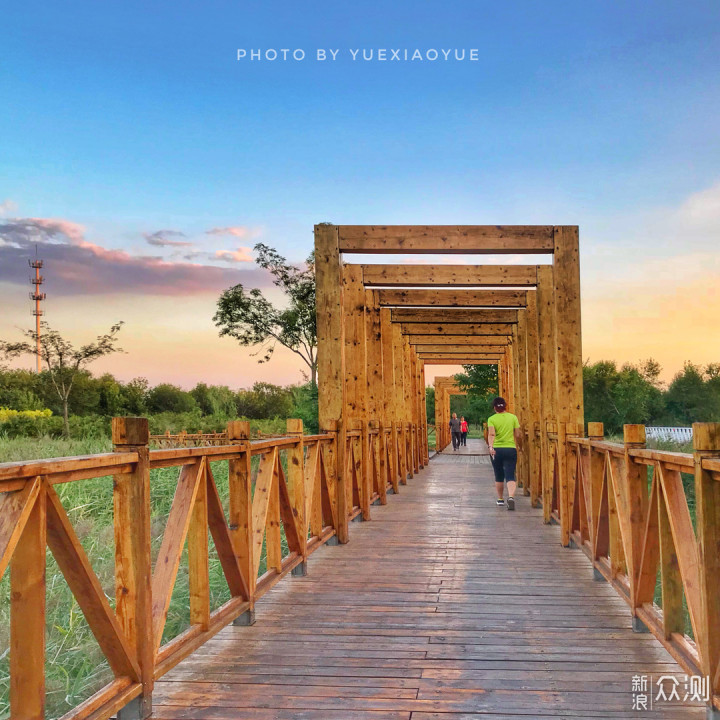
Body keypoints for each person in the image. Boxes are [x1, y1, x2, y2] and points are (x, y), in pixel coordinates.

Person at [487, 397, 522, 510]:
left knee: (499, 475)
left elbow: (492, 434)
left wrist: (491, 447)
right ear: (505, 406)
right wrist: (520, 446)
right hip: (510, 448)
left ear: (494, 407)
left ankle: (500, 499)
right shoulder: (513, 417)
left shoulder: (492, 419)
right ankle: (511, 497)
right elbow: (517, 434)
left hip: (497, 449)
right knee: (510, 474)